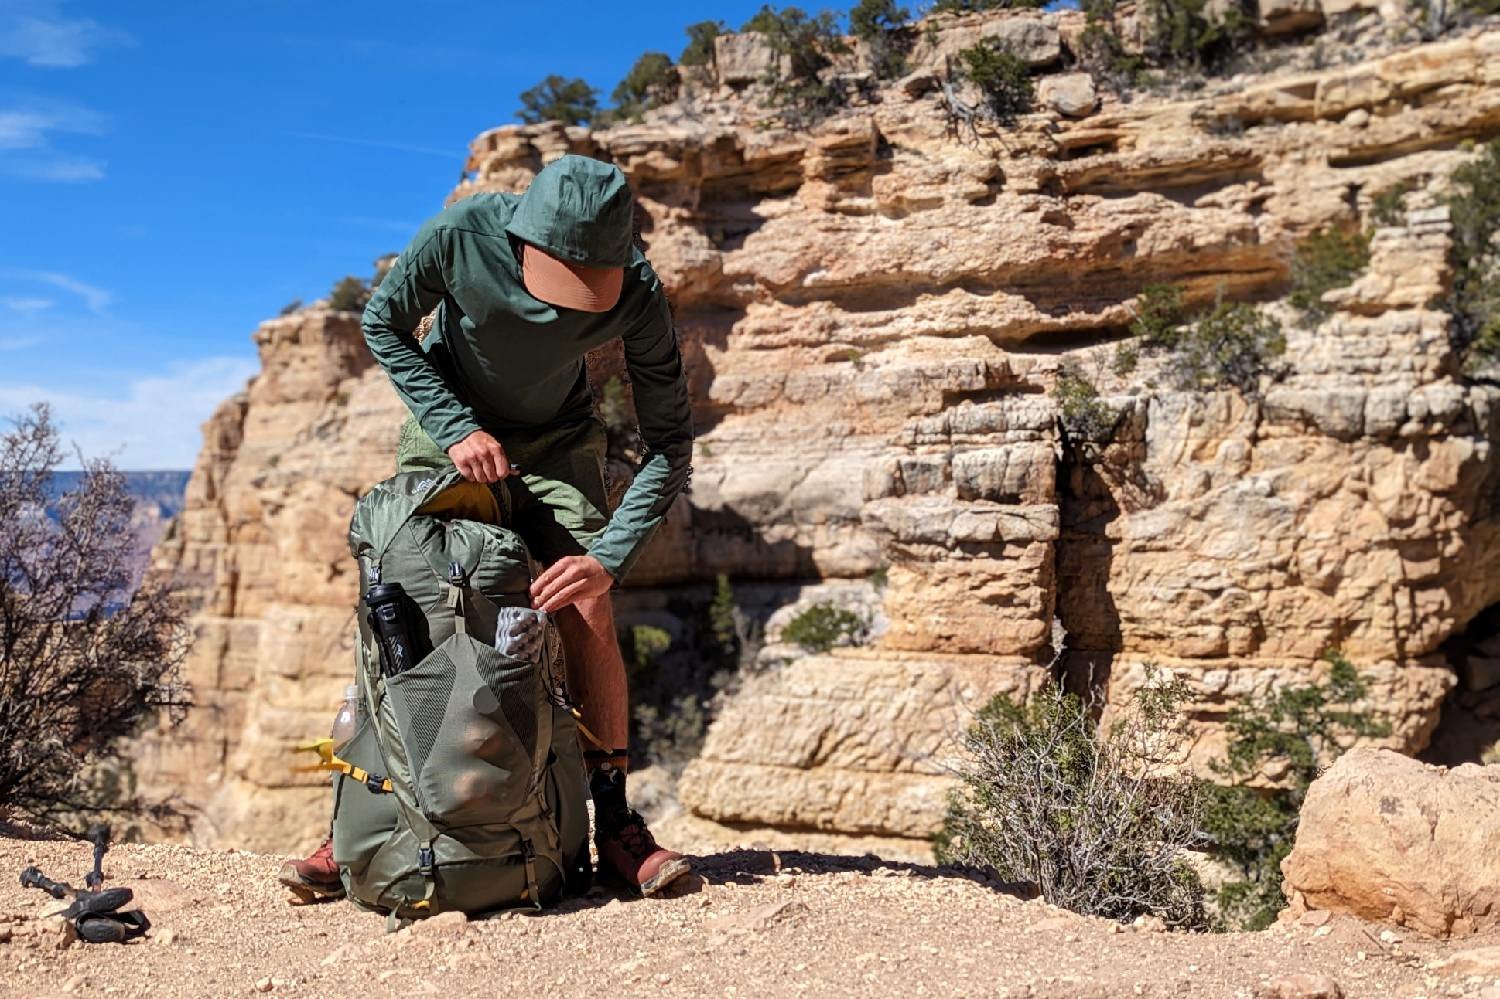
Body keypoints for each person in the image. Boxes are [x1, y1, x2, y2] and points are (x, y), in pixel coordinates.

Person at [278, 154, 694, 899]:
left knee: (587, 600)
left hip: (558, 440)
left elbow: (669, 441)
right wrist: (454, 423)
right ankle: (362, 821)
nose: (574, 312)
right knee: (403, 595)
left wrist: (610, 557)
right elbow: (384, 321)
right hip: (450, 429)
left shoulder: (636, 290)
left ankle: (616, 825)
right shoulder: (462, 234)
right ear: (525, 238)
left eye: (586, 296)